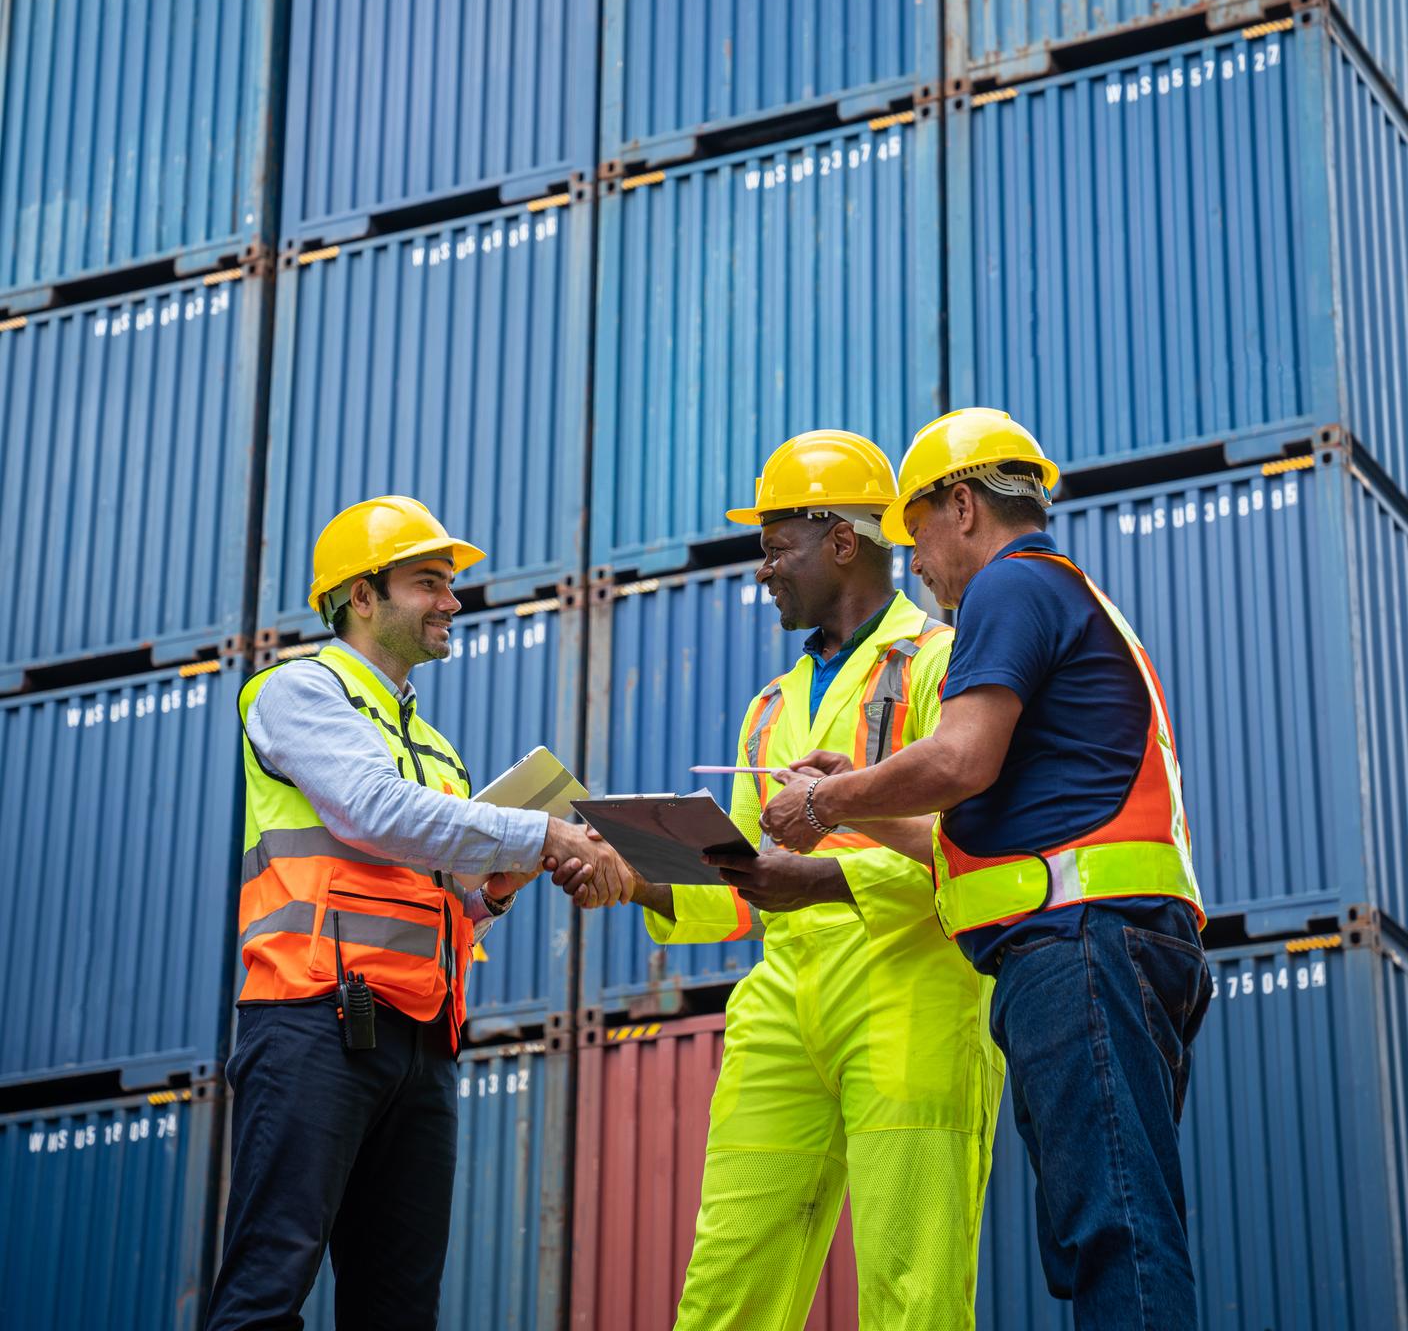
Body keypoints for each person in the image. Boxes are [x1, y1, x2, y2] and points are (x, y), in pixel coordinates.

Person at [762, 410, 1212, 1328]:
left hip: (1079, 945)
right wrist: (874, 799)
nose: (915, 563)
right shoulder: (1066, 593)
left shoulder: (1010, 588)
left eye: (916, 532)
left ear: (961, 506)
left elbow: (960, 759)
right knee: (1105, 1223)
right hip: (1103, 938)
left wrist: (825, 805)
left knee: (1114, 1227)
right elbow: (969, 831)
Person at [553, 433, 1003, 1330]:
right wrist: (633, 879)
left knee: (912, 1284)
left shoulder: (944, 664)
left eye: (774, 545)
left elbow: (979, 855)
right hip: (781, 1001)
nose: (763, 571)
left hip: (910, 990)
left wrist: (825, 883)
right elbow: (741, 891)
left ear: (842, 540)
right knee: (728, 1284)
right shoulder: (770, 706)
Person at [206, 496, 619, 1331]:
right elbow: (370, 811)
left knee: (399, 1309)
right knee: (266, 1290)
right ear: (362, 596)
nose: (451, 602)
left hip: (421, 1038)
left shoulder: (435, 748)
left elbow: (441, 903)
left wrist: (496, 889)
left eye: (450, 585)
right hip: (312, 1021)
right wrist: (538, 829)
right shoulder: (299, 692)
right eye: (430, 582)